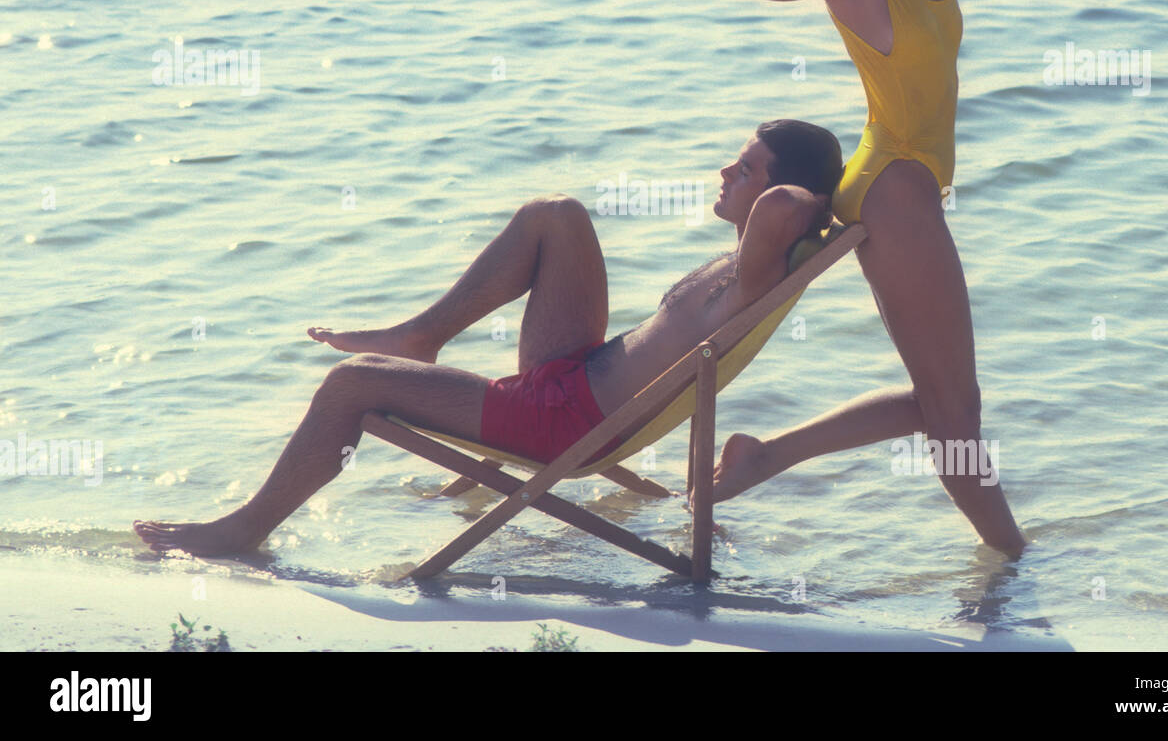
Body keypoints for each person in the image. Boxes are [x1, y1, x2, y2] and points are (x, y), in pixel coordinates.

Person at [134, 120, 843, 558]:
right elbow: (778, 197)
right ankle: (423, 336)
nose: (725, 171)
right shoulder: (748, 260)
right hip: (573, 378)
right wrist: (815, 188)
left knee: (349, 383)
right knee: (555, 215)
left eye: (744, 167)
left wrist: (829, 193)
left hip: (561, 422)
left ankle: (242, 532)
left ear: (785, 199)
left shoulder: (760, 266)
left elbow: (785, 202)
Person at [717, 0, 1074, 558]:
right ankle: (1017, 570)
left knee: (941, 401)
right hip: (891, 187)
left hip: (914, 183)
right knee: (956, 411)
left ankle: (765, 456)